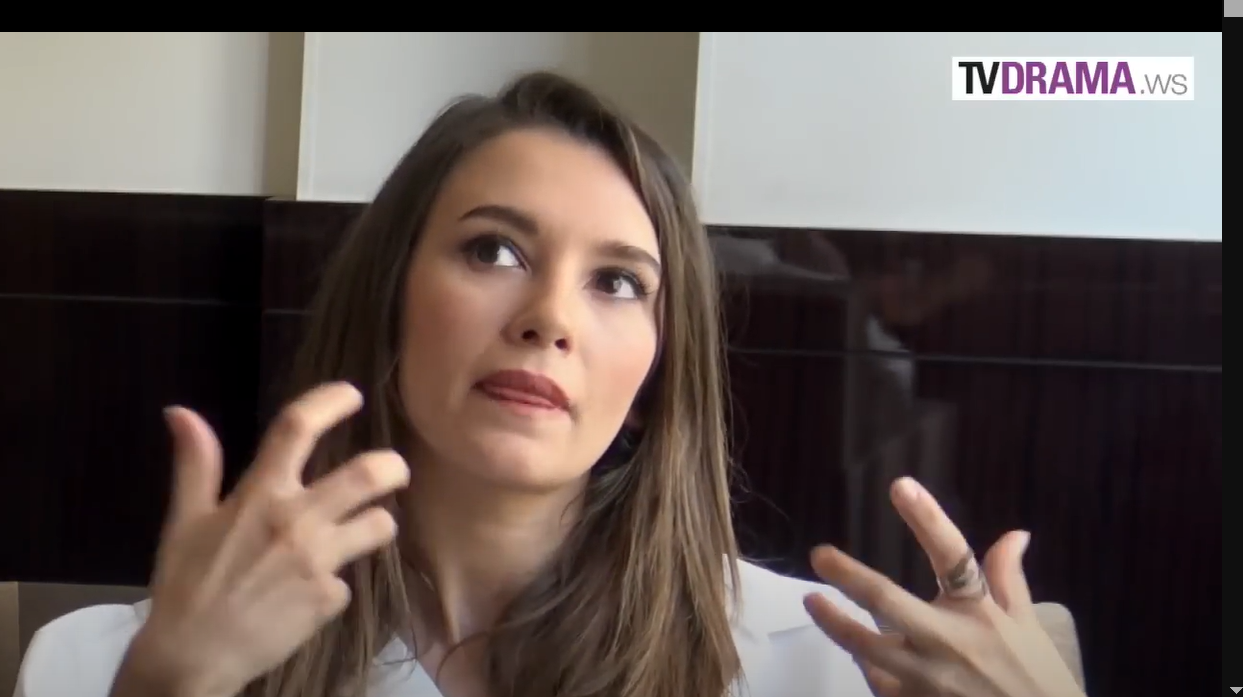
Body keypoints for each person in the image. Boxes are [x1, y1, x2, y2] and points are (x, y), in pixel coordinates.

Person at [12, 72, 1086, 697]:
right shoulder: (102, 664)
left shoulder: (826, 663)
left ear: (658, 365)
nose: (550, 318)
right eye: (493, 251)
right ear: (389, 294)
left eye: (618, 282)